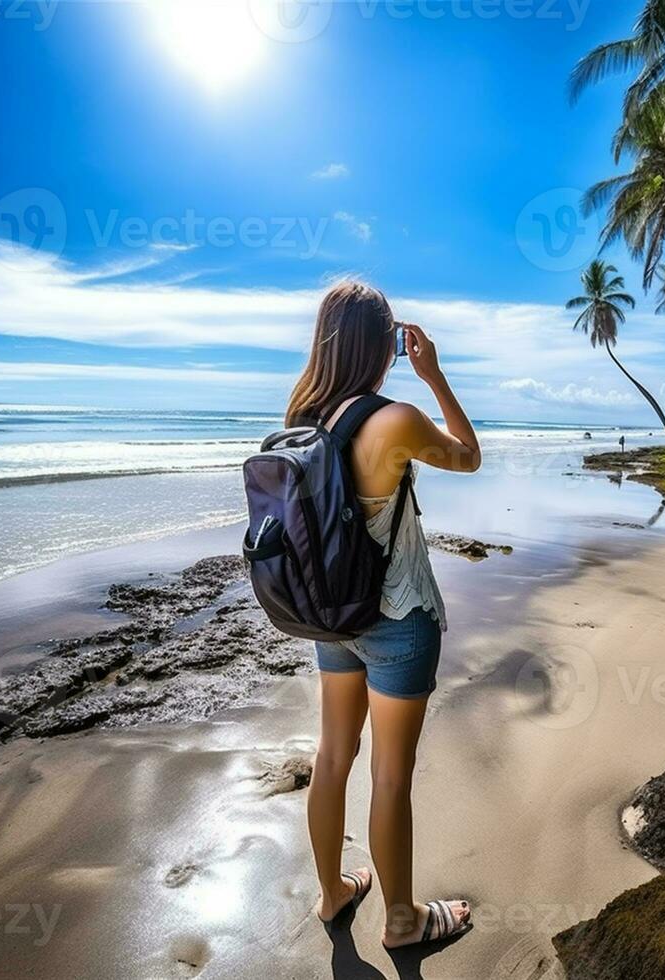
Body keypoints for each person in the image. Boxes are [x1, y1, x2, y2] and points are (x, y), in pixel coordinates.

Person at [284, 280, 481, 948]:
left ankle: (333, 892)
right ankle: (403, 921)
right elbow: (468, 454)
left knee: (333, 755)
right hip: (397, 616)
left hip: (330, 614)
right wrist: (436, 375)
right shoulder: (393, 420)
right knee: (391, 777)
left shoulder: (302, 418)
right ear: (384, 345)